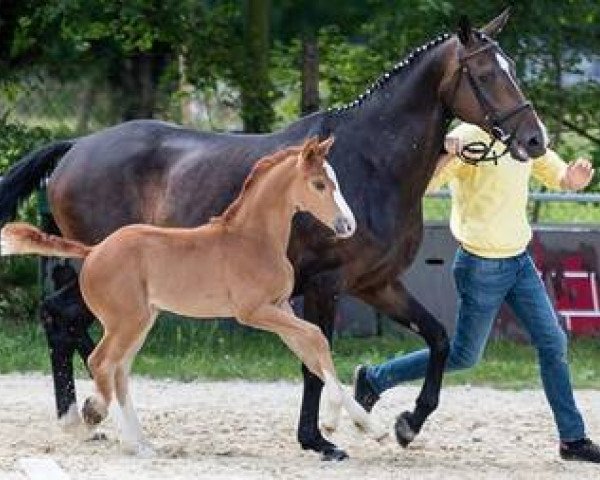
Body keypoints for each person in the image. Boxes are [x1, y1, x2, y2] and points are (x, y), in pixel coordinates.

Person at [353, 122, 600, 463]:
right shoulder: (467, 137)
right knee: (464, 357)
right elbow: (422, 185)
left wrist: (572, 179)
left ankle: (572, 440)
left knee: (553, 341)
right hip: (480, 266)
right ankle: (374, 379)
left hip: (520, 263)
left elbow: (553, 170)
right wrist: (444, 152)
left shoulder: (526, 129)